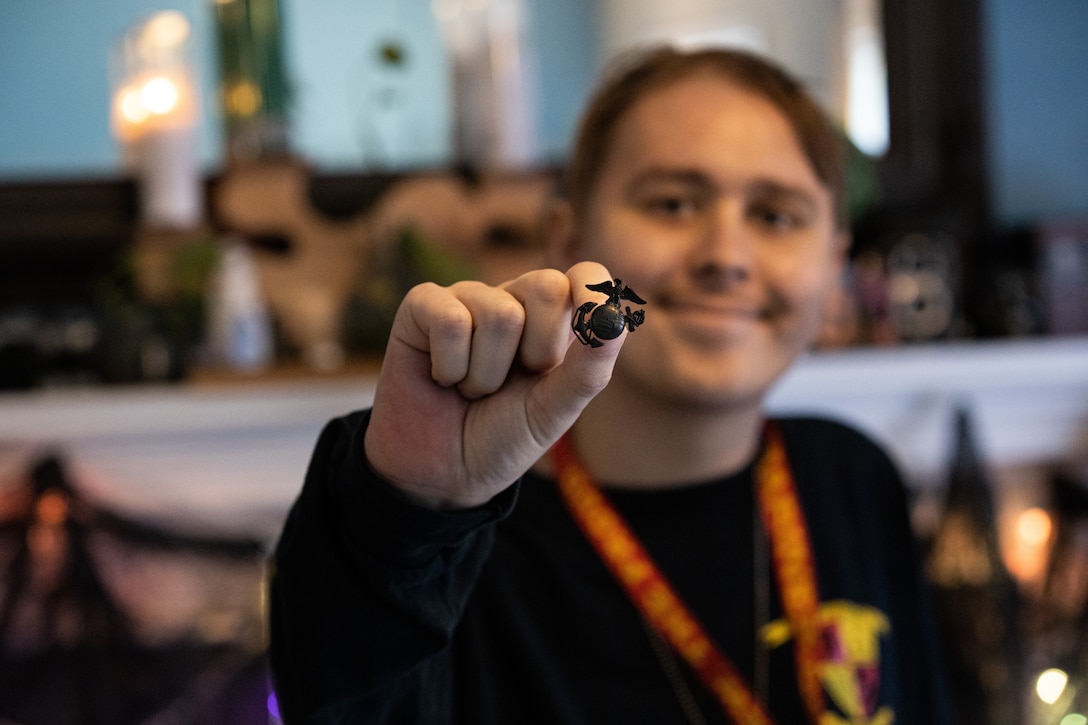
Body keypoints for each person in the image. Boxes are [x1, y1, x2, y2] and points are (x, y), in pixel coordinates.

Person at [269, 45, 951, 724]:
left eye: (775, 216)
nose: (725, 257)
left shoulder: (852, 476)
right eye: (673, 203)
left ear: (832, 265)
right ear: (568, 240)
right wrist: (411, 513)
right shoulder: (461, 542)